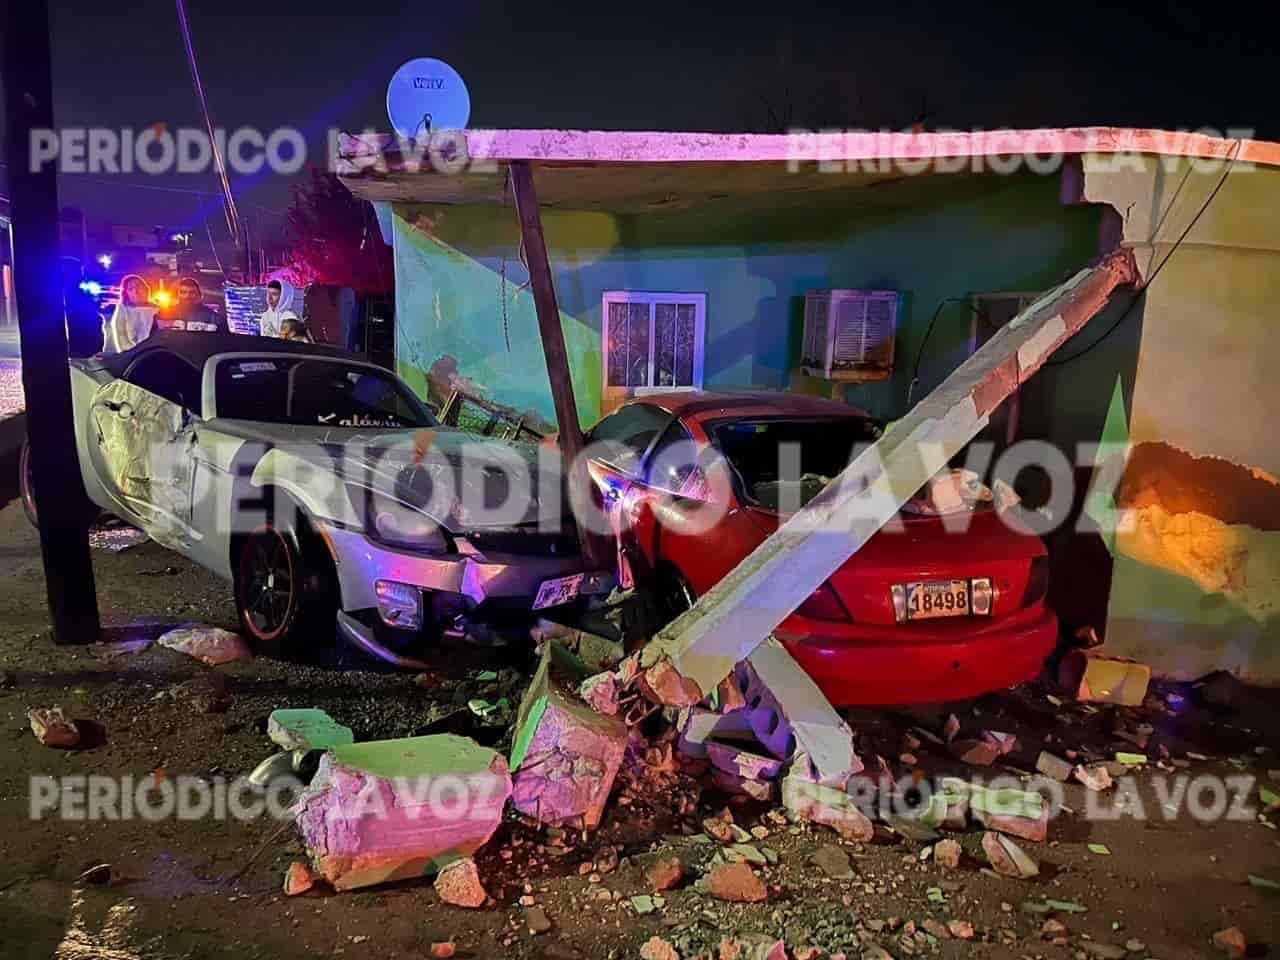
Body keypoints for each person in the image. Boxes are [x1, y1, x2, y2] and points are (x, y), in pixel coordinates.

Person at [103, 274, 158, 354]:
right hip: (133, 355)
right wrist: (131, 353)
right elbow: (121, 334)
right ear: (127, 293)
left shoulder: (157, 309)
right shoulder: (123, 309)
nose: (136, 291)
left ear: (146, 288)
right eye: (131, 288)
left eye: (138, 286)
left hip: (153, 353)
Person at [156, 276, 226, 334]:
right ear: (178, 295)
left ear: (200, 295)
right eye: (183, 292)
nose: (187, 296)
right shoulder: (163, 315)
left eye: (192, 292)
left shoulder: (213, 317)